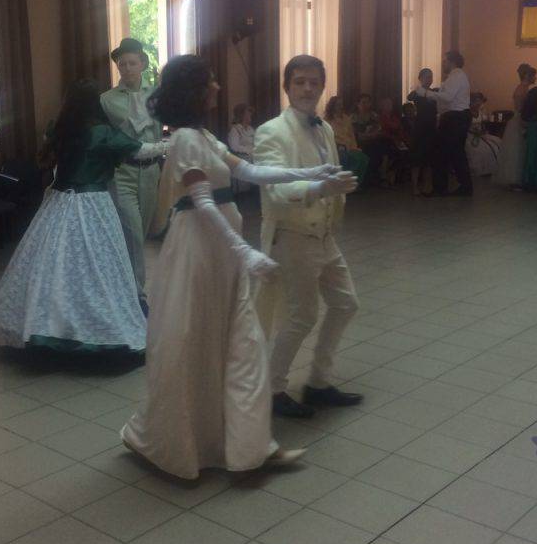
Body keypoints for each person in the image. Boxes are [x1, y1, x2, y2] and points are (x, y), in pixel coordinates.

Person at [121, 55, 351, 479]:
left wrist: (313, 175)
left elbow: (251, 170)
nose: (217, 87)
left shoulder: (205, 136)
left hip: (221, 250)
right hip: (199, 251)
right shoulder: (186, 139)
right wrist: (243, 251)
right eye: (211, 81)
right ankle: (184, 444)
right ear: (194, 90)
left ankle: (251, 448)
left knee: (243, 345)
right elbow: (203, 203)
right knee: (198, 345)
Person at [0, 80, 168, 361]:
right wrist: (168, 144)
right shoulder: (102, 133)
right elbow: (140, 150)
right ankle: (88, 325)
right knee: (96, 265)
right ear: (95, 103)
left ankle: (43, 324)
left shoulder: (59, 129)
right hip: (93, 204)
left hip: (59, 202)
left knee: (54, 265)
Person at [254, 54, 362, 419]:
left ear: (322, 86)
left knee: (346, 303)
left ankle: (318, 382)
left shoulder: (325, 128)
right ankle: (272, 390)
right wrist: (319, 188)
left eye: (314, 82)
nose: (307, 88)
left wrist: (337, 189)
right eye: (299, 81)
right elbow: (275, 189)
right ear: (286, 86)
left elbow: (329, 174)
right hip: (293, 235)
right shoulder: (271, 131)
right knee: (302, 316)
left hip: (324, 235)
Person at [100, 38, 163, 309]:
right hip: (122, 172)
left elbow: (165, 125)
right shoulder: (107, 100)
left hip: (151, 171)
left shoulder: (157, 95)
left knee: (142, 233)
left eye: (132, 63)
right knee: (133, 234)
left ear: (142, 64)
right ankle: (138, 296)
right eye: (122, 64)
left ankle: (123, 285)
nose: (126, 68)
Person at [412, 50, 473, 196]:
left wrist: (425, 93)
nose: (443, 63)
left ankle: (442, 188)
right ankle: (460, 186)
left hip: (455, 118)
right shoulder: (456, 76)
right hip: (456, 117)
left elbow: (447, 97)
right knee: (453, 153)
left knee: (443, 153)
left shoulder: (456, 76)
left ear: (452, 61)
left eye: (445, 61)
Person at [495, 64, 535, 189]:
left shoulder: (523, 88)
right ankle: (515, 179)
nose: (535, 78)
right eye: (533, 75)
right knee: (517, 151)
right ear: (527, 76)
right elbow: (520, 109)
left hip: (520, 120)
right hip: (520, 121)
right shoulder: (522, 90)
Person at [406, 68, 438, 196]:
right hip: (420, 128)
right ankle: (414, 186)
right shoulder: (417, 93)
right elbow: (409, 97)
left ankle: (426, 185)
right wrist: (420, 90)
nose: (429, 79)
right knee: (417, 158)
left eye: (431, 77)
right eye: (426, 77)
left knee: (429, 159)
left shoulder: (435, 92)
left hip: (431, 128)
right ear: (420, 78)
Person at [326, 96, 370, 187]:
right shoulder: (327, 119)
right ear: (333, 106)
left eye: (341, 104)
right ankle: (343, 184)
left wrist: (354, 147)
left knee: (363, 158)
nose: (340, 107)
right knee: (345, 158)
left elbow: (351, 135)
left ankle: (355, 184)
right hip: (337, 147)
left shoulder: (346, 118)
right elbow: (327, 137)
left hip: (349, 146)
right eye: (338, 105)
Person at [465, 92, 502, 177]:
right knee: (480, 149)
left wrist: (483, 131)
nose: (478, 104)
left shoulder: (481, 112)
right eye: (476, 101)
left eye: (480, 102)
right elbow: (465, 127)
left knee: (498, 142)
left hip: (481, 134)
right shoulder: (467, 113)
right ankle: (482, 169)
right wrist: (474, 132)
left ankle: (494, 167)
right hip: (470, 136)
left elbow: (483, 125)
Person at [229, 103, 257, 193]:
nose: (250, 115)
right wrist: (248, 150)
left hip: (254, 158)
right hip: (242, 159)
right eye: (247, 113)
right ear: (241, 115)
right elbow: (234, 146)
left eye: (250, 113)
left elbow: (256, 142)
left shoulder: (251, 129)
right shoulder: (235, 129)